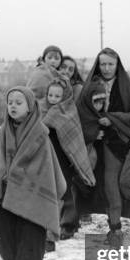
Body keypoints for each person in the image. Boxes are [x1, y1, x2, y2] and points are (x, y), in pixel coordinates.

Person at [0, 87, 66, 260]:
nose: (13, 106)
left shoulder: (40, 133)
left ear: (30, 107)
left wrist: (17, 174)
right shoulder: (4, 131)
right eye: (10, 102)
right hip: (6, 189)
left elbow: (43, 165)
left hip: (32, 189)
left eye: (18, 102)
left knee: (31, 230)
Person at [76, 48, 130, 246]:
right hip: (94, 143)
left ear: (117, 65)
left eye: (110, 64)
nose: (106, 68)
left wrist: (112, 119)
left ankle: (118, 228)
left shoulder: (126, 86)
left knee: (115, 184)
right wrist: (92, 130)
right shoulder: (91, 85)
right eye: (103, 64)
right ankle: (111, 226)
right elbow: (81, 113)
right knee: (101, 186)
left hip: (120, 144)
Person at [40, 78, 95, 241]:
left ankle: (68, 225)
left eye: (57, 96)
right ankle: (48, 224)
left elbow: (74, 136)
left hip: (63, 156)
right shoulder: (41, 109)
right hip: (47, 156)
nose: (53, 99)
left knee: (66, 190)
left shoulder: (69, 111)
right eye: (50, 95)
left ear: (64, 96)